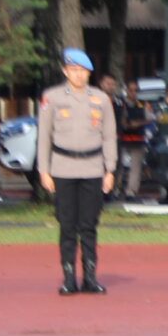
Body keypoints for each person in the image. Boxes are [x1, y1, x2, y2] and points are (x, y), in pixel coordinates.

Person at [37, 49, 117, 295]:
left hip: (92, 168)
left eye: (83, 71)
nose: (78, 75)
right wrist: (44, 170)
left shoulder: (101, 99)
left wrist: (110, 169)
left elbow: (109, 136)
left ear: (89, 73)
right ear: (65, 71)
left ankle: (90, 277)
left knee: (89, 225)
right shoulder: (52, 97)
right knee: (67, 225)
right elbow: (44, 136)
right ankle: (69, 278)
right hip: (63, 168)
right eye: (73, 70)